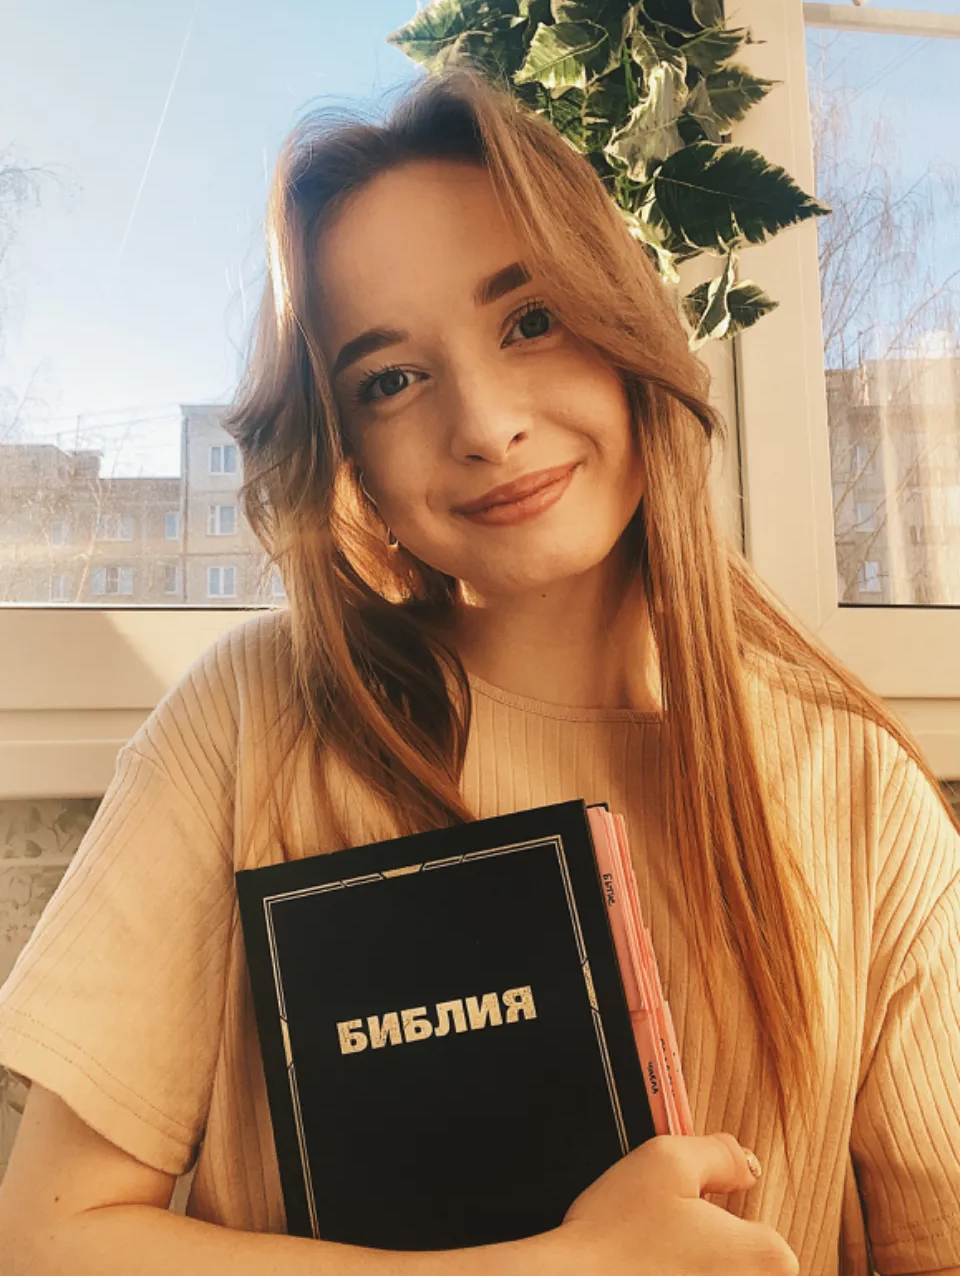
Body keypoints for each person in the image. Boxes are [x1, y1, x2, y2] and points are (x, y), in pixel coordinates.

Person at [0, 66, 958, 1276]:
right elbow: (45, 1238)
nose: (486, 422)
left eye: (531, 318)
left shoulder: (860, 785)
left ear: (627, 332)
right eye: (389, 379)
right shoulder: (248, 720)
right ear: (347, 449)